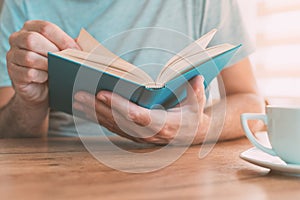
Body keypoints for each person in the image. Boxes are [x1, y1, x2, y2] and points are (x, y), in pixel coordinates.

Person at [0, 0, 264, 144]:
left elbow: (252, 104)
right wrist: (29, 102)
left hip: (184, 170)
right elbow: (8, 135)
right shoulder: (22, 6)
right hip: (62, 174)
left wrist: (201, 129)